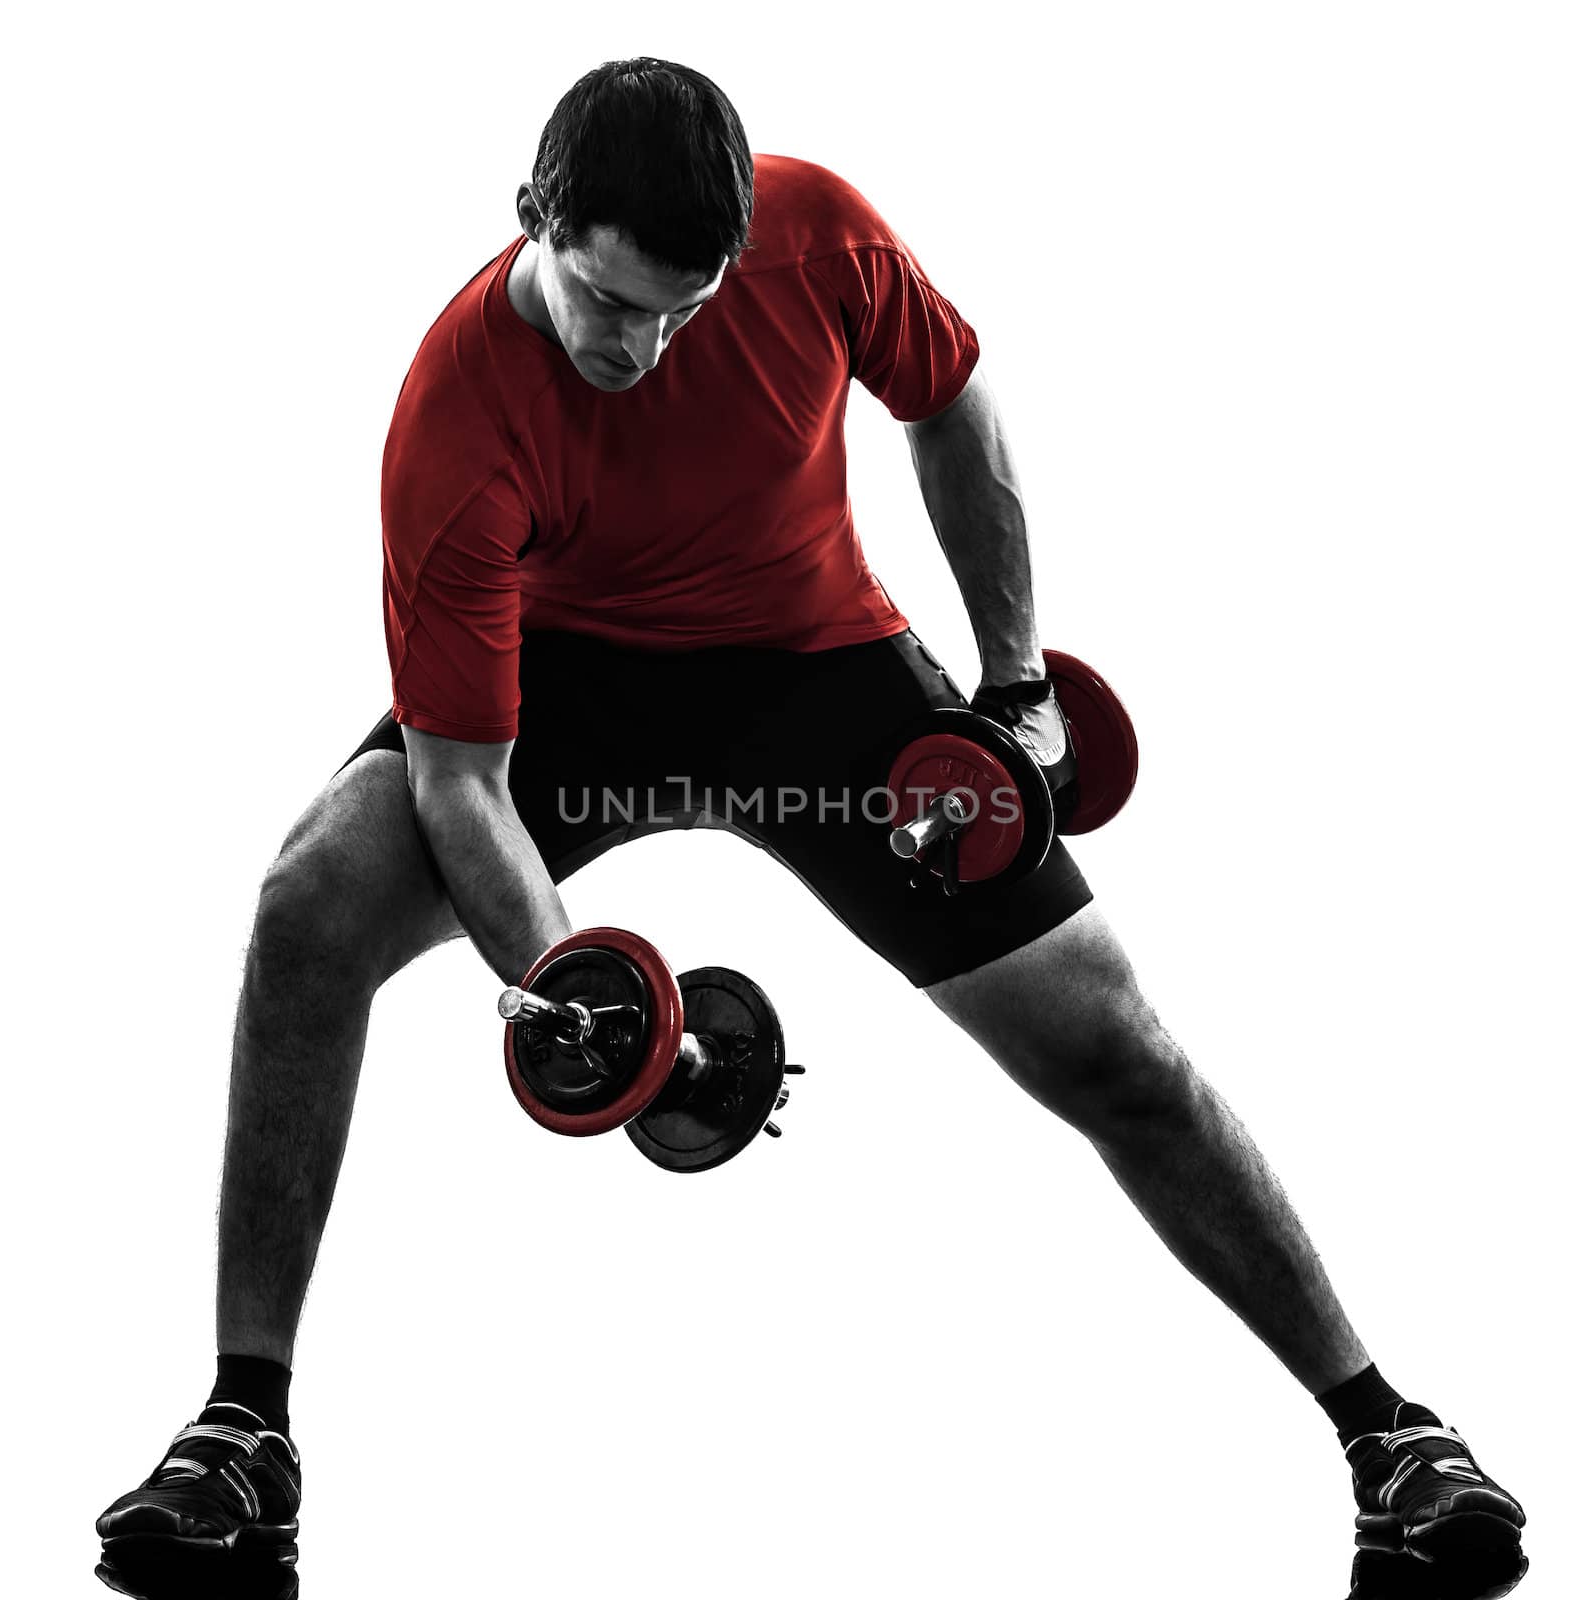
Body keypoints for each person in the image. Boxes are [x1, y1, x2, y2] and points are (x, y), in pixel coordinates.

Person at [96, 58, 1527, 1599]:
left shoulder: (818, 235)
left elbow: (953, 403)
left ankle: (1389, 1434)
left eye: (679, 309)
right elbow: (460, 783)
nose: (640, 345)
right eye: (607, 301)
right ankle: (244, 1430)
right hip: (571, 694)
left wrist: (1018, 682)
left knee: (1112, 1042)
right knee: (310, 906)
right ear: (535, 218)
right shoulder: (454, 420)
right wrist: (579, 997)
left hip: (815, 680)